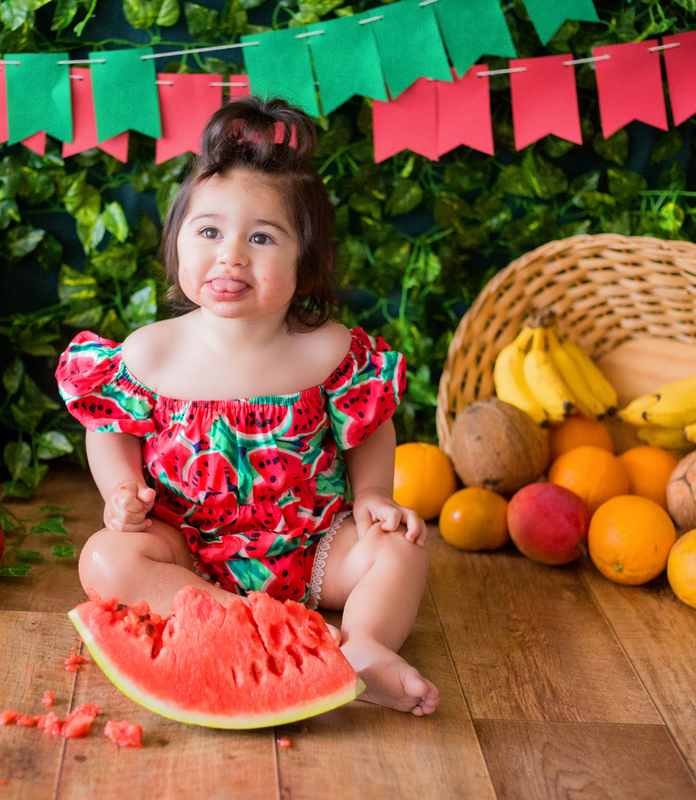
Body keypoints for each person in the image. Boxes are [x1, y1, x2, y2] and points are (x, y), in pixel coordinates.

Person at [55, 96, 438, 716]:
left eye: (261, 237)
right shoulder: (151, 354)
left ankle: (363, 646)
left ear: (304, 261)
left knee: (401, 549)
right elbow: (109, 428)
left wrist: (373, 498)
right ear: (178, 240)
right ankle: (240, 622)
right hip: (188, 553)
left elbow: (371, 427)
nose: (230, 255)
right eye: (208, 232)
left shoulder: (329, 350)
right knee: (105, 557)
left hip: (315, 548)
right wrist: (122, 490)